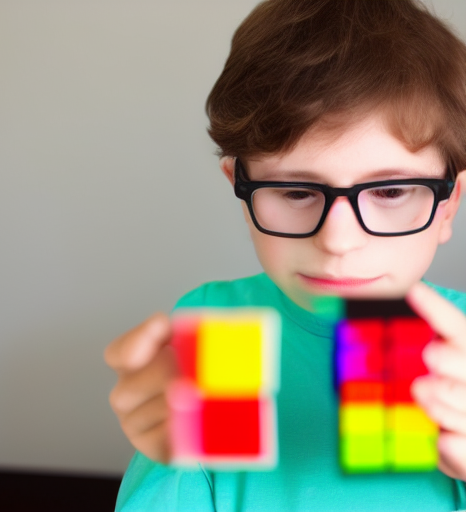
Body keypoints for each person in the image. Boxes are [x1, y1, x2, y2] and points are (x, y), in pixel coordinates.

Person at [104, 0, 466, 510]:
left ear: (448, 204)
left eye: (390, 192)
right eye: (296, 193)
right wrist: (170, 464)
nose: (338, 242)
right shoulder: (217, 325)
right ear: (241, 189)